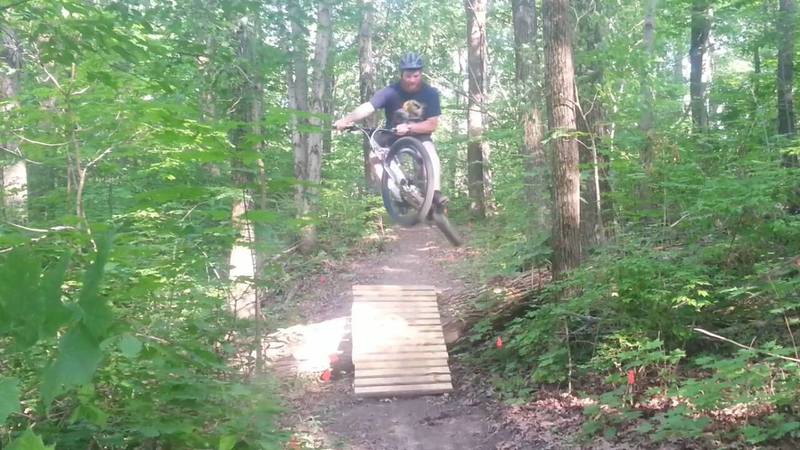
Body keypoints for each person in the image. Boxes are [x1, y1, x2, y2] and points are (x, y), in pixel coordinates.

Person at [334, 52, 448, 213]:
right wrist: (346, 120)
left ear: (421, 74)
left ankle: (435, 193)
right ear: (401, 75)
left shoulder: (430, 93)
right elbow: (368, 107)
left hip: (420, 136)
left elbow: (432, 124)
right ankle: (397, 194)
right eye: (408, 76)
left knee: (431, 154)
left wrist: (409, 128)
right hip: (393, 136)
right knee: (374, 158)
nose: (412, 80)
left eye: (416, 76)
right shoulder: (390, 91)